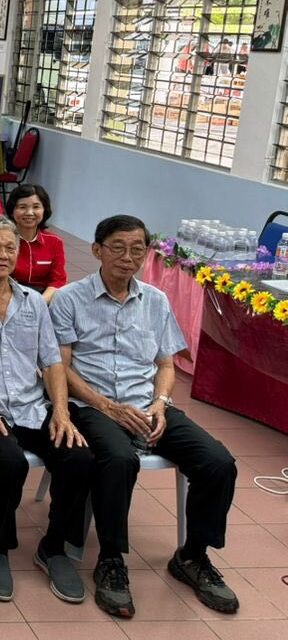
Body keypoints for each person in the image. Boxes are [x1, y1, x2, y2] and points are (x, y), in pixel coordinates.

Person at [51, 214, 240, 618]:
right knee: (119, 459)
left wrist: (160, 402)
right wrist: (108, 406)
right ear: (97, 250)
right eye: (117, 247)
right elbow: (60, 367)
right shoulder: (69, 299)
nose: (128, 256)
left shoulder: (155, 300)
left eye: (138, 248)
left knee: (218, 462)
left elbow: (166, 363)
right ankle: (112, 560)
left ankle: (192, 556)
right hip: (93, 405)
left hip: (148, 404)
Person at [0, 215, 95, 603]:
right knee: (8, 461)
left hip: (31, 407)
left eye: (10, 248)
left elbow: (52, 363)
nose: (3, 255)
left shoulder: (33, 302)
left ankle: (54, 546)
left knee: (78, 457)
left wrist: (61, 412)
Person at [7, 184, 67, 302]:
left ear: (44, 210)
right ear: (12, 210)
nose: (29, 213)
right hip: (8, 295)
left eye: (36, 207)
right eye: (22, 207)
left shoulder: (54, 242)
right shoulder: (2, 239)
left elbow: (57, 280)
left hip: (44, 298)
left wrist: (40, 303)